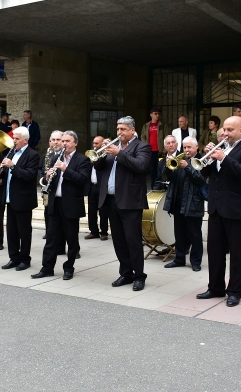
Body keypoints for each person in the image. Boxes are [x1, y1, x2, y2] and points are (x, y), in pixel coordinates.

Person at [196, 116, 241, 307]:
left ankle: (234, 291)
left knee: (236, 253)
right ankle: (215, 287)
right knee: (215, 251)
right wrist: (208, 158)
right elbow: (205, 174)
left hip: (237, 209)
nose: (225, 133)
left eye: (230, 130)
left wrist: (224, 159)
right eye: (224, 130)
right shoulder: (222, 148)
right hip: (217, 208)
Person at [94, 116, 151, 291]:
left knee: (133, 240)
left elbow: (141, 166)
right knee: (118, 240)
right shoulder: (113, 148)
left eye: (123, 129)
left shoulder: (142, 146)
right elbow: (98, 167)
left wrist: (119, 154)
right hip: (111, 200)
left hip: (130, 201)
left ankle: (139, 276)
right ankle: (126, 273)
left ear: (132, 130)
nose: (119, 133)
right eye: (118, 129)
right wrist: (102, 153)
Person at [32, 131, 91, 279]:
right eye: (63, 141)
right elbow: (48, 182)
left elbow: (83, 180)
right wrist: (47, 177)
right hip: (55, 203)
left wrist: (65, 169)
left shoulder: (82, 160)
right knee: (51, 238)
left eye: (67, 141)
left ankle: (69, 268)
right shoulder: (54, 157)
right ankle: (47, 268)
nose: (64, 144)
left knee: (71, 239)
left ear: (75, 143)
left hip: (71, 204)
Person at [0, 127, 39, 271]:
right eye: (13, 138)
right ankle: (13, 258)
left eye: (16, 138)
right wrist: (0, 172)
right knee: (11, 231)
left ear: (25, 140)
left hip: (23, 200)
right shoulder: (12, 153)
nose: (13, 141)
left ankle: (25, 259)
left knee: (24, 232)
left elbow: (29, 176)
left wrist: (12, 167)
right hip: (10, 198)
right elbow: (8, 175)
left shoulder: (32, 155)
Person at [162, 137, 206, 271]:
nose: (186, 150)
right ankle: (179, 259)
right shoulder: (180, 160)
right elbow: (165, 177)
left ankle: (196, 262)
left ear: (196, 147)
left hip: (193, 203)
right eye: (185, 147)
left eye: (189, 147)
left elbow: (201, 179)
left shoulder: (202, 160)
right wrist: (168, 167)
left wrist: (187, 168)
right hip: (178, 202)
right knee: (179, 233)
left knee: (195, 235)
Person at [40, 130, 64, 239]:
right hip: (49, 189)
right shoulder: (47, 156)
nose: (55, 142)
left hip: (62, 193)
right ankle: (48, 232)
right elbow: (40, 170)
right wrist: (44, 179)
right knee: (48, 212)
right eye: (53, 140)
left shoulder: (65, 155)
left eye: (58, 140)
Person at [85, 136, 110, 241]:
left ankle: (104, 232)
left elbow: (99, 166)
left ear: (101, 144)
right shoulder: (91, 154)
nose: (94, 145)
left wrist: (103, 152)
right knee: (91, 210)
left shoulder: (106, 155)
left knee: (103, 210)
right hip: (92, 185)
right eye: (94, 143)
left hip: (101, 186)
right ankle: (93, 231)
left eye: (97, 143)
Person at [141, 107, 167, 187]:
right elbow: (143, 137)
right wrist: (146, 147)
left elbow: (166, 137)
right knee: (152, 170)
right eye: (155, 114)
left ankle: (161, 187)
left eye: (158, 113)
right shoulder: (146, 126)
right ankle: (154, 187)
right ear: (151, 115)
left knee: (161, 170)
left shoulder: (163, 125)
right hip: (150, 151)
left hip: (160, 152)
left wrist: (165, 151)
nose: (157, 115)